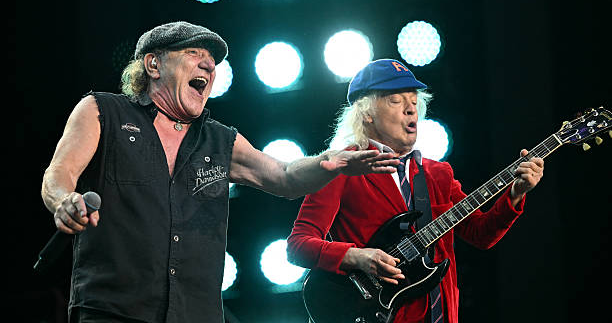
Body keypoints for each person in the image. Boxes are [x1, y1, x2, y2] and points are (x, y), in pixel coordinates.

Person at [40, 21, 400, 323]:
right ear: (153, 64)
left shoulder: (219, 140)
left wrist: (331, 161)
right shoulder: (102, 111)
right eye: (193, 54)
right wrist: (64, 201)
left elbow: (285, 176)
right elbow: (58, 174)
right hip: (113, 310)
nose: (208, 66)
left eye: (212, 63)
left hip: (195, 313)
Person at [286, 59, 544, 323]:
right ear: (367, 113)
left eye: (414, 101)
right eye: (396, 100)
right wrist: (356, 257)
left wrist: (515, 193)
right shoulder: (343, 169)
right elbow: (297, 246)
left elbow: (481, 234)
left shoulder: (438, 174)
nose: (411, 109)